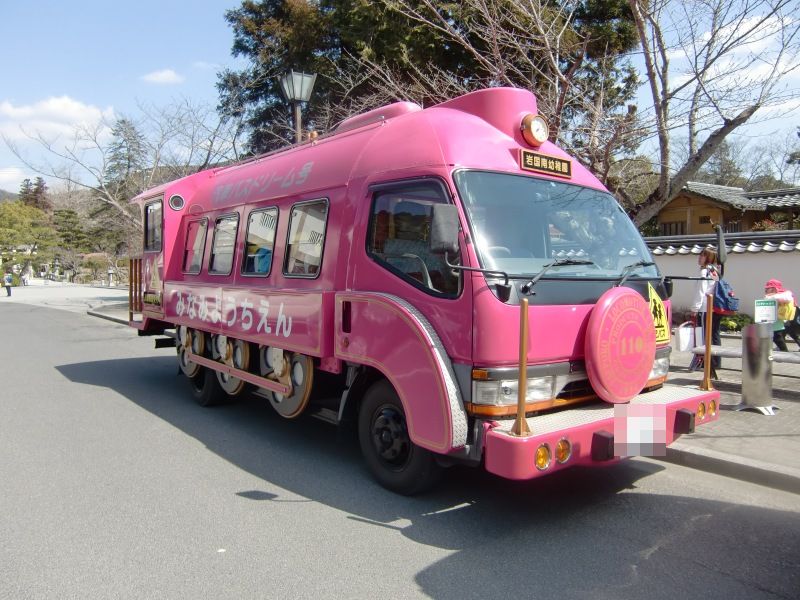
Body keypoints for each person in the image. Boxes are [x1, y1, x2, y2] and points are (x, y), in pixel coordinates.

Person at [688, 248, 721, 373]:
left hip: (705, 307)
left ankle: (705, 361)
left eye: (702, 256)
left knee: (703, 335)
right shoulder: (714, 271)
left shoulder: (704, 272)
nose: (699, 258)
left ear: (708, 258)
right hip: (714, 307)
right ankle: (716, 361)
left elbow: (701, 292)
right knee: (714, 334)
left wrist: (695, 308)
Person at [764, 279, 800, 351]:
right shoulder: (771, 297)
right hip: (782, 318)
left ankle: (783, 349)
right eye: (766, 289)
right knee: (780, 333)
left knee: (792, 332)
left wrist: (771, 296)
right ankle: (781, 348)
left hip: (792, 316)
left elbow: (786, 298)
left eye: (768, 288)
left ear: (774, 288)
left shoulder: (786, 293)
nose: (766, 290)